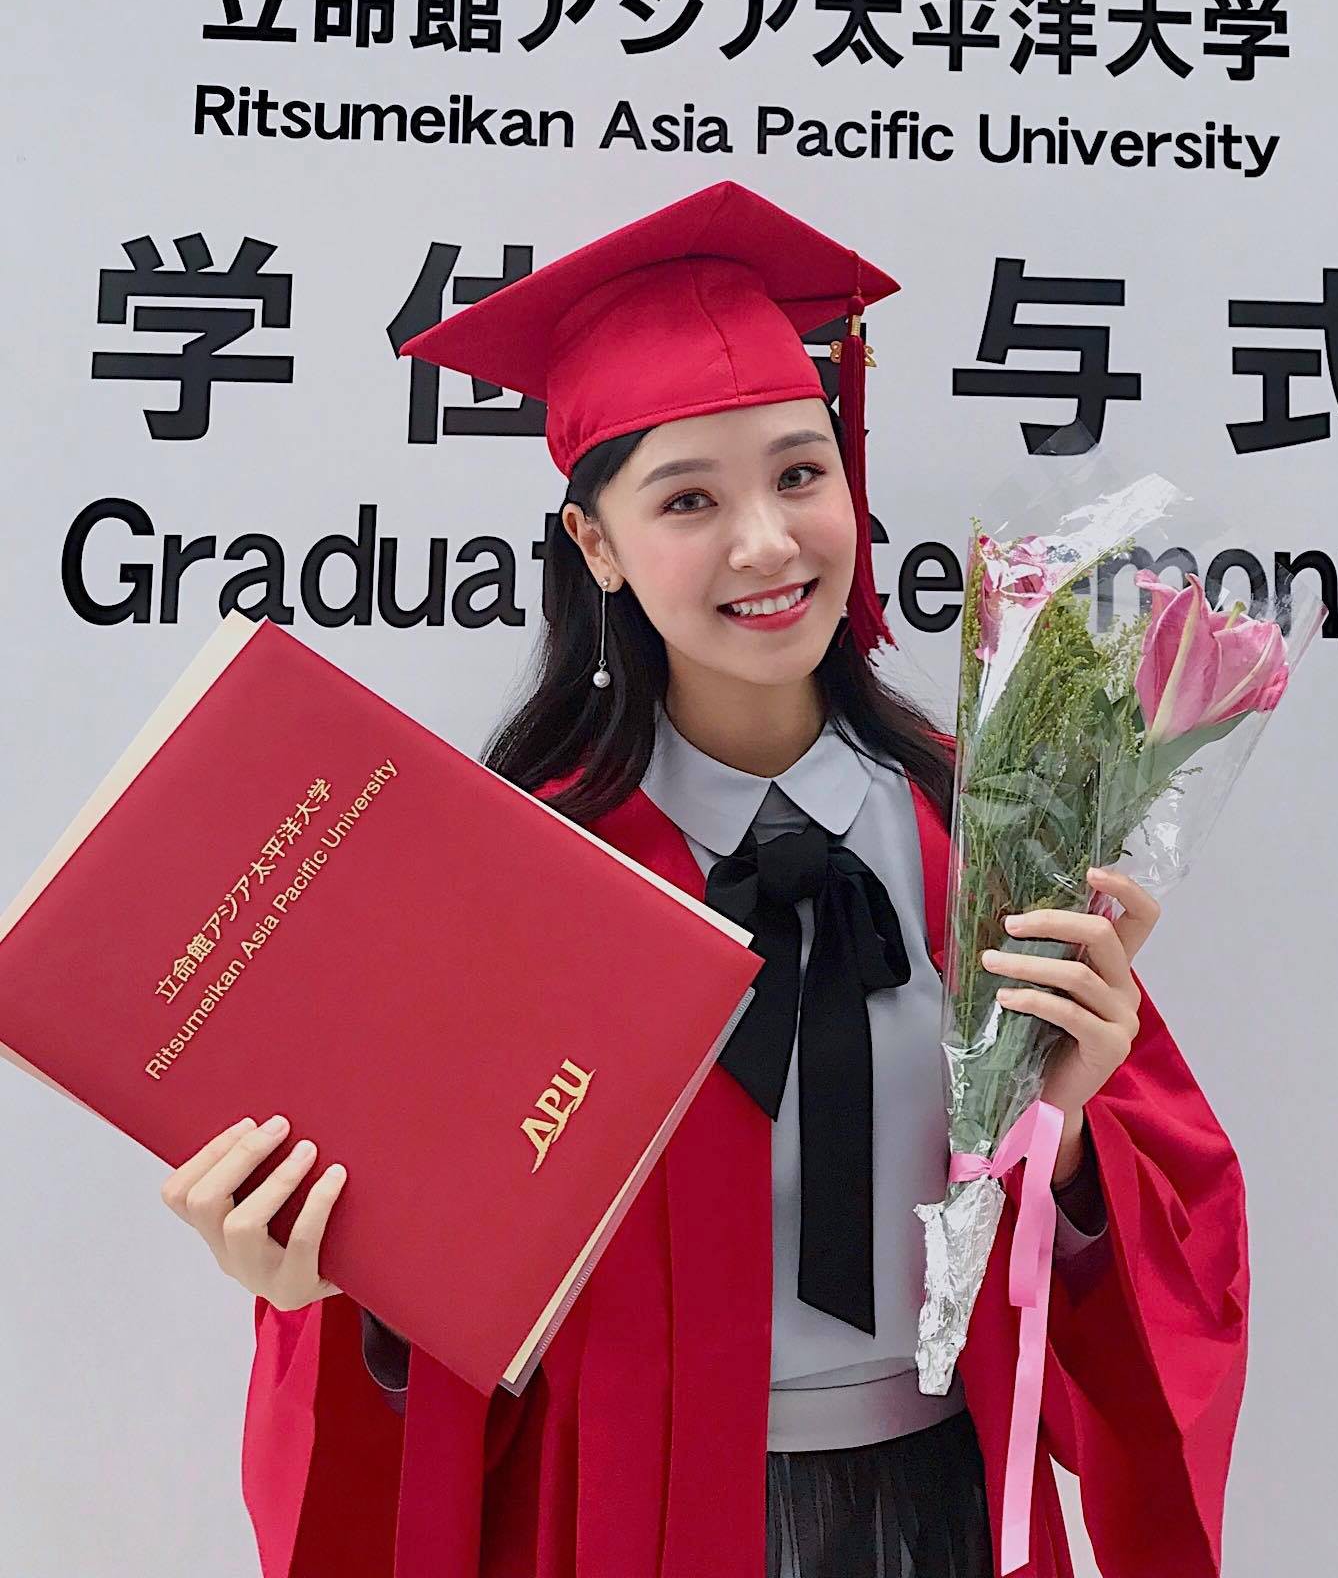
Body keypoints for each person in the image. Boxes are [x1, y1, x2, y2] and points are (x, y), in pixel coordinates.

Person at [161, 179, 1249, 1578]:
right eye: (689, 498)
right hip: (632, 1523)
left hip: (950, 1509)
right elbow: (435, 1298)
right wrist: (326, 1284)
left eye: (801, 473)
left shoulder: (983, 832)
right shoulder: (523, 878)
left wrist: (1075, 1130)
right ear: (596, 545)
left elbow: (1160, 1249)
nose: (768, 543)